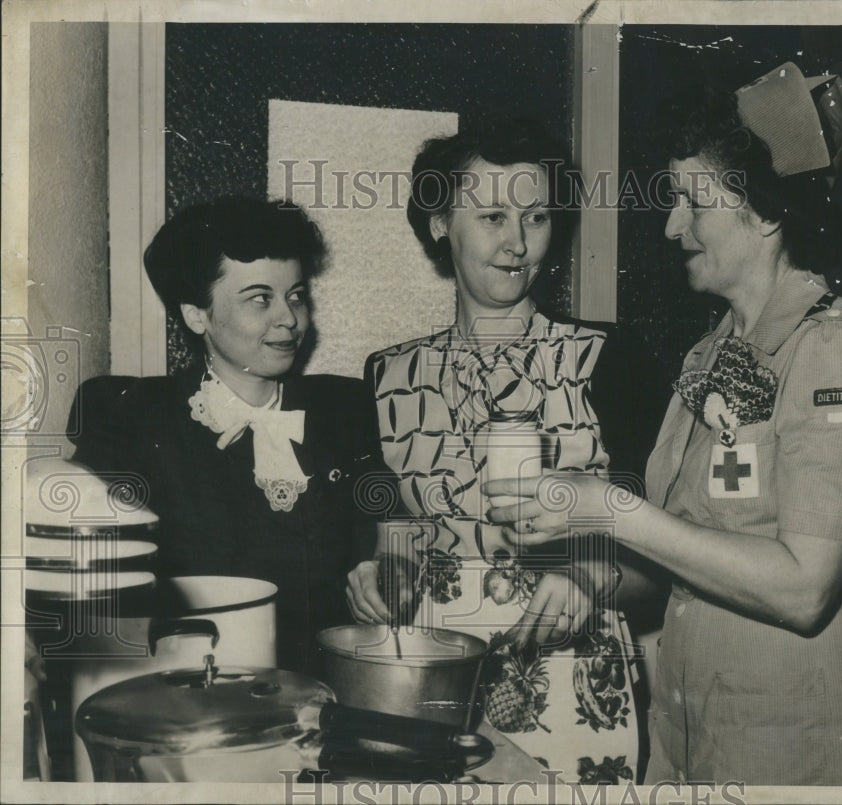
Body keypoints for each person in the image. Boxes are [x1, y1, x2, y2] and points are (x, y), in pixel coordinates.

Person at [486, 63, 842, 786]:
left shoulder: (834, 347)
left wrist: (613, 510)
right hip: (693, 730)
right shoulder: (710, 354)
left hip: (792, 741)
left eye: (691, 201)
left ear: (767, 211)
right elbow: (688, 546)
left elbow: (803, 586)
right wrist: (590, 575)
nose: (671, 225)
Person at [346, 118, 670, 783]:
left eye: (536, 217)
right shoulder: (387, 375)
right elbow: (398, 539)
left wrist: (586, 574)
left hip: (578, 688)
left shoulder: (609, 362)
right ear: (441, 223)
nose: (517, 243)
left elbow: (665, 564)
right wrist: (377, 576)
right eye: (492, 215)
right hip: (434, 690)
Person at [69, 196, 373, 675]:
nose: (288, 318)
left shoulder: (345, 410)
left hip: (328, 694)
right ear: (197, 315)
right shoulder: (129, 417)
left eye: (295, 295)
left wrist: (383, 563)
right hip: (194, 698)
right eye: (260, 299)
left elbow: (380, 517)